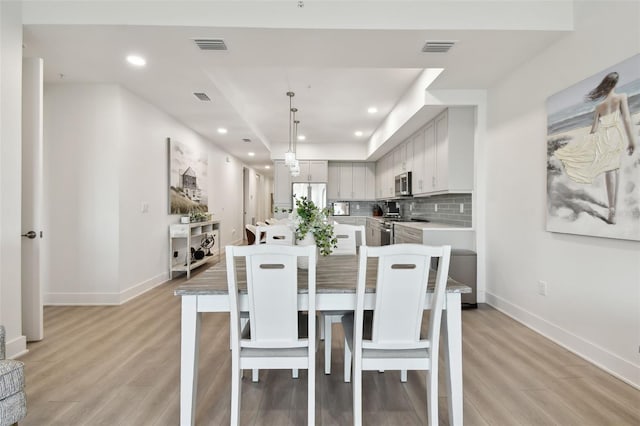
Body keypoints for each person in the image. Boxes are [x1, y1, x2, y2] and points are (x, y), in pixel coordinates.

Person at [554, 72, 637, 224]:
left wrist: (587, 144)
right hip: (615, 136)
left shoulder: (599, 106)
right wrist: (632, 140)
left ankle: (613, 208)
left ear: (605, 85)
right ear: (615, 84)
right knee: (614, 170)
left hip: (603, 137)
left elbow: (593, 130)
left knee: (610, 170)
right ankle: (612, 210)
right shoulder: (621, 97)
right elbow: (626, 119)